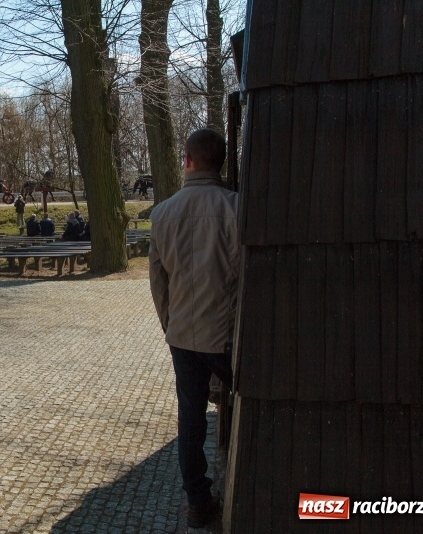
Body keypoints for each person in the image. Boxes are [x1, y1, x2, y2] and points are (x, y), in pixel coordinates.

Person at [148, 129, 239, 529]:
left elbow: (158, 282)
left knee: (191, 419)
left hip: (183, 335)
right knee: (248, 404)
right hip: (229, 337)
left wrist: (171, 324)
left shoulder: (162, 213)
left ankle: (198, 503)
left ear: (186, 160)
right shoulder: (236, 208)